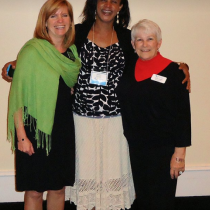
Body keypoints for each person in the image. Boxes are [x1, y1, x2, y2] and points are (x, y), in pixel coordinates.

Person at [2, 1, 190, 210]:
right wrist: (15, 65)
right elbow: (50, 54)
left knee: (106, 184)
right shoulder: (77, 33)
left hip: (115, 124)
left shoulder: (128, 38)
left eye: (114, 1)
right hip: (81, 121)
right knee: (81, 183)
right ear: (94, 4)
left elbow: (149, 58)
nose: (108, 4)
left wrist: (181, 67)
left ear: (121, 7)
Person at [7, 0, 81, 210]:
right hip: (35, 131)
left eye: (65, 15)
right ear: (45, 22)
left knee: (58, 189)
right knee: (35, 190)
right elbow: (17, 97)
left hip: (63, 129)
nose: (60, 20)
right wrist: (21, 136)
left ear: (70, 21)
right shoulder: (32, 51)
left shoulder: (72, 54)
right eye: (53, 16)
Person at [116, 19, 191, 210]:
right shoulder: (128, 68)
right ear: (133, 44)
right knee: (143, 200)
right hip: (136, 148)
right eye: (139, 40)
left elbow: (183, 115)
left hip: (163, 151)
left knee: (161, 202)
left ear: (159, 43)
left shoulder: (175, 72)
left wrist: (179, 155)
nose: (145, 44)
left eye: (150, 39)